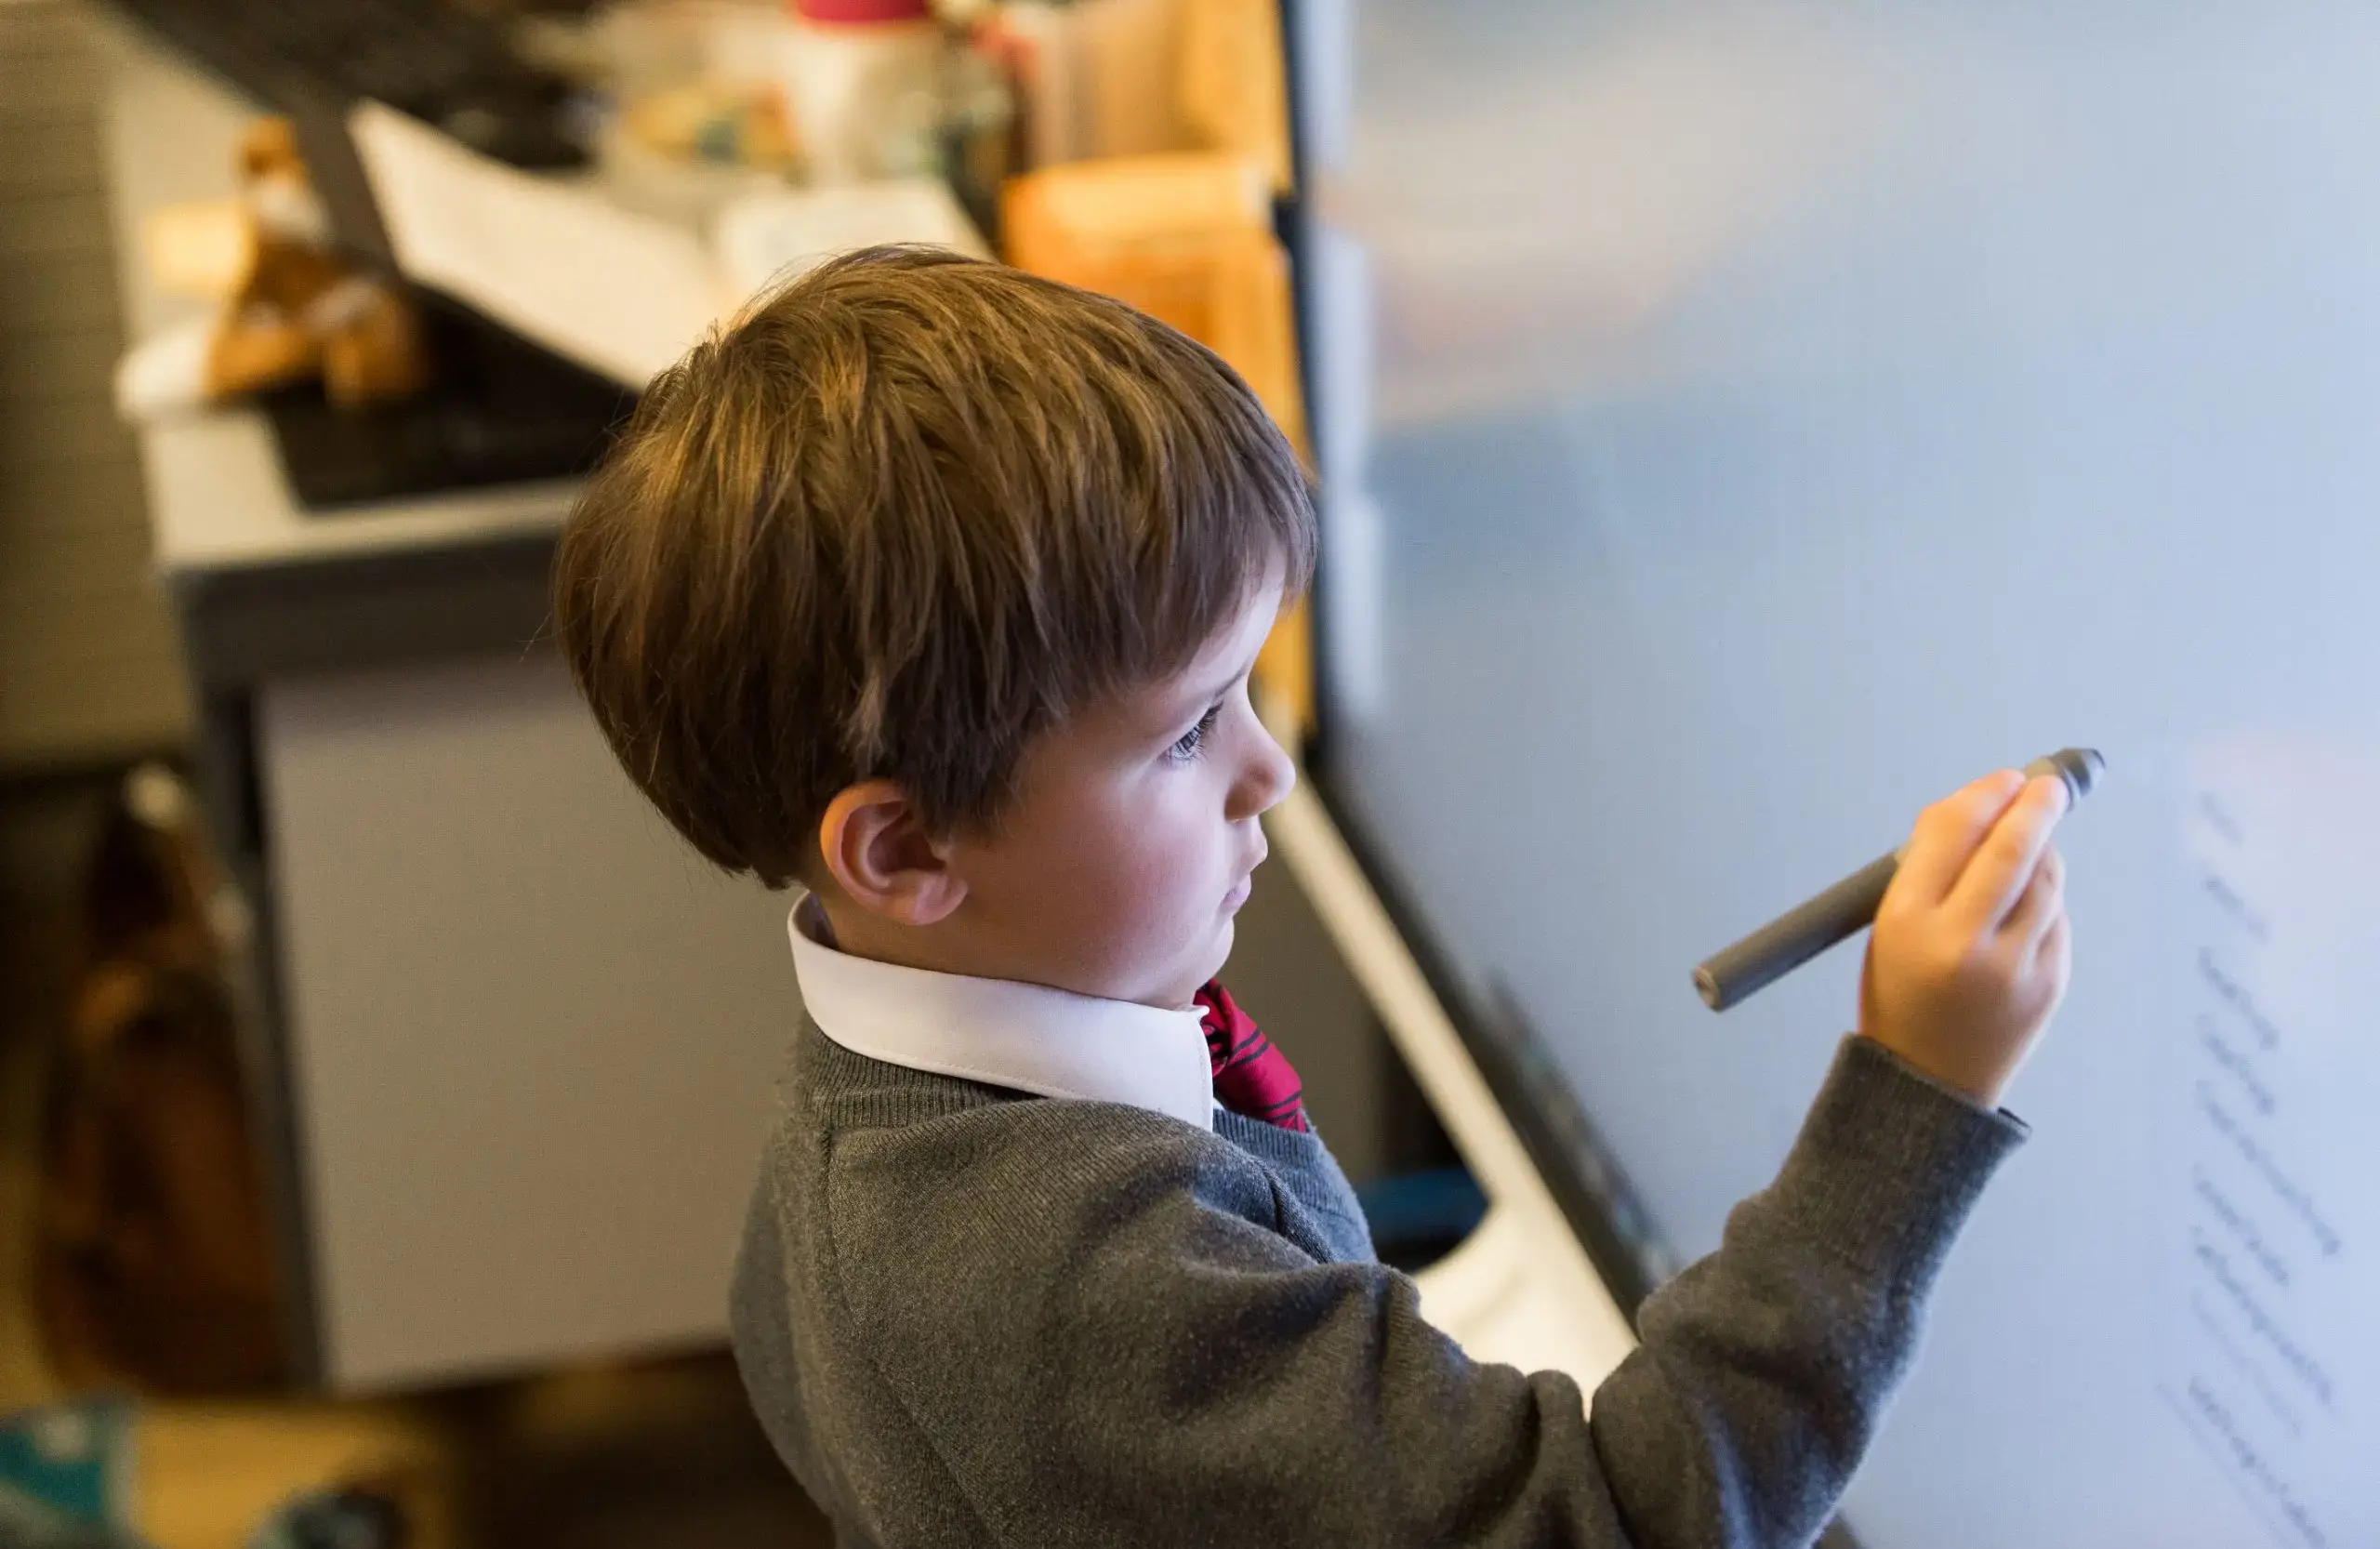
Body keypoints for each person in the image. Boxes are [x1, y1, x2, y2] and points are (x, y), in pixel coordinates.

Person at [549, 246, 2072, 1547]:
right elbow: (1614, 1518)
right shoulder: (1068, 1286)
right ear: (907, 856)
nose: (1267, 767)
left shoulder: (874, 1076)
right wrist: (1914, 1098)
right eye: (1190, 727)